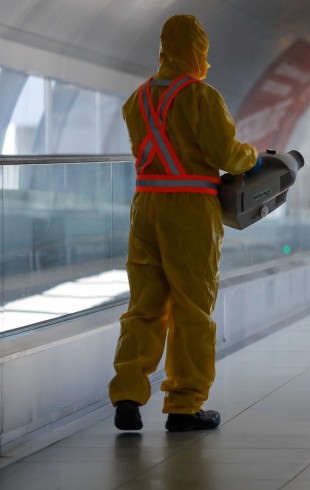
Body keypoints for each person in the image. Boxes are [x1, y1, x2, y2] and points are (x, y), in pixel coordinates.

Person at [108, 14, 259, 432]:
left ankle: (127, 392)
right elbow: (226, 155)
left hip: (145, 206)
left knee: (144, 305)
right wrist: (254, 157)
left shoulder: (136, 100)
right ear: (197, 49)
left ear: (163, 48)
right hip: (189, 208)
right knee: (193, 306)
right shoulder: (200, 96)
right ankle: (184, 404)